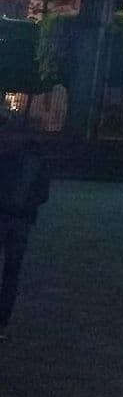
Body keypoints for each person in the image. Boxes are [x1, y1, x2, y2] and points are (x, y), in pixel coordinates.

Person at [0, 117, 51, 339]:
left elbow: (42, 192)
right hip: (20, 219)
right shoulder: (38, 159)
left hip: (10, 217)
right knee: (12, 272)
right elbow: (42, 193)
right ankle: (2, 321)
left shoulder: (8, 156)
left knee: (11, 272)